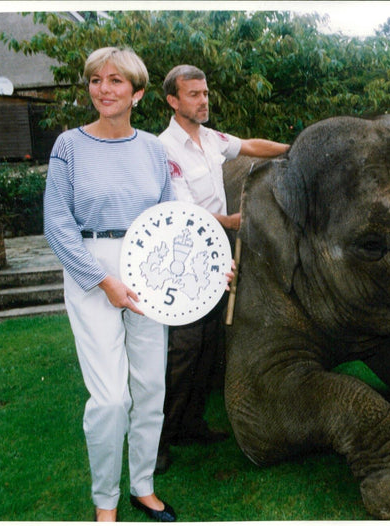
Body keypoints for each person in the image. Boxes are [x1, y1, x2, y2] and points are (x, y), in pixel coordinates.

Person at [43, 47, 177, 522]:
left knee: (149, 388)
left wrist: (205, 267)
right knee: (111, 398)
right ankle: (106, 500)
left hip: (148, 266)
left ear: (137, 93)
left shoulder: (153, 150)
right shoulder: (69, 146)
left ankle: (142, 485)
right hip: (91, 266)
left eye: (116, 81)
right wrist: (103, 280)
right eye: (96, 80)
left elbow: (172, 221)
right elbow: (56, 222)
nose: (104, 89)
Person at [155, 64, 290, 473]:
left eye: (205, 92)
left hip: (214, 256)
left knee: (210, 345)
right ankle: (158, 439)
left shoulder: (211, 139)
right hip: (183, 257)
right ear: (173, 101)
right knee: (184, 350)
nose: (203, 100)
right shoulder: (164, 149)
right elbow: (180, 210)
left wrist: (295, 150)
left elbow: (250, 145)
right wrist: (229, 222)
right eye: (193, 94)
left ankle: (191, 423)